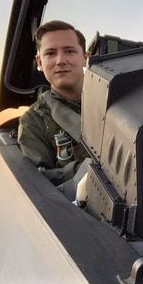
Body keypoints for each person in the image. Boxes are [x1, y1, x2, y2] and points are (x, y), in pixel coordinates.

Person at [18, 20, 89, 186]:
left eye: (70, 51)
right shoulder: (34, 121)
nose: (60, 61)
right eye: (50, 53)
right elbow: (40, 182)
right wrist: (84, 169)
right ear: (40, 63)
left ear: (85, 58)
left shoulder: (116, 100)